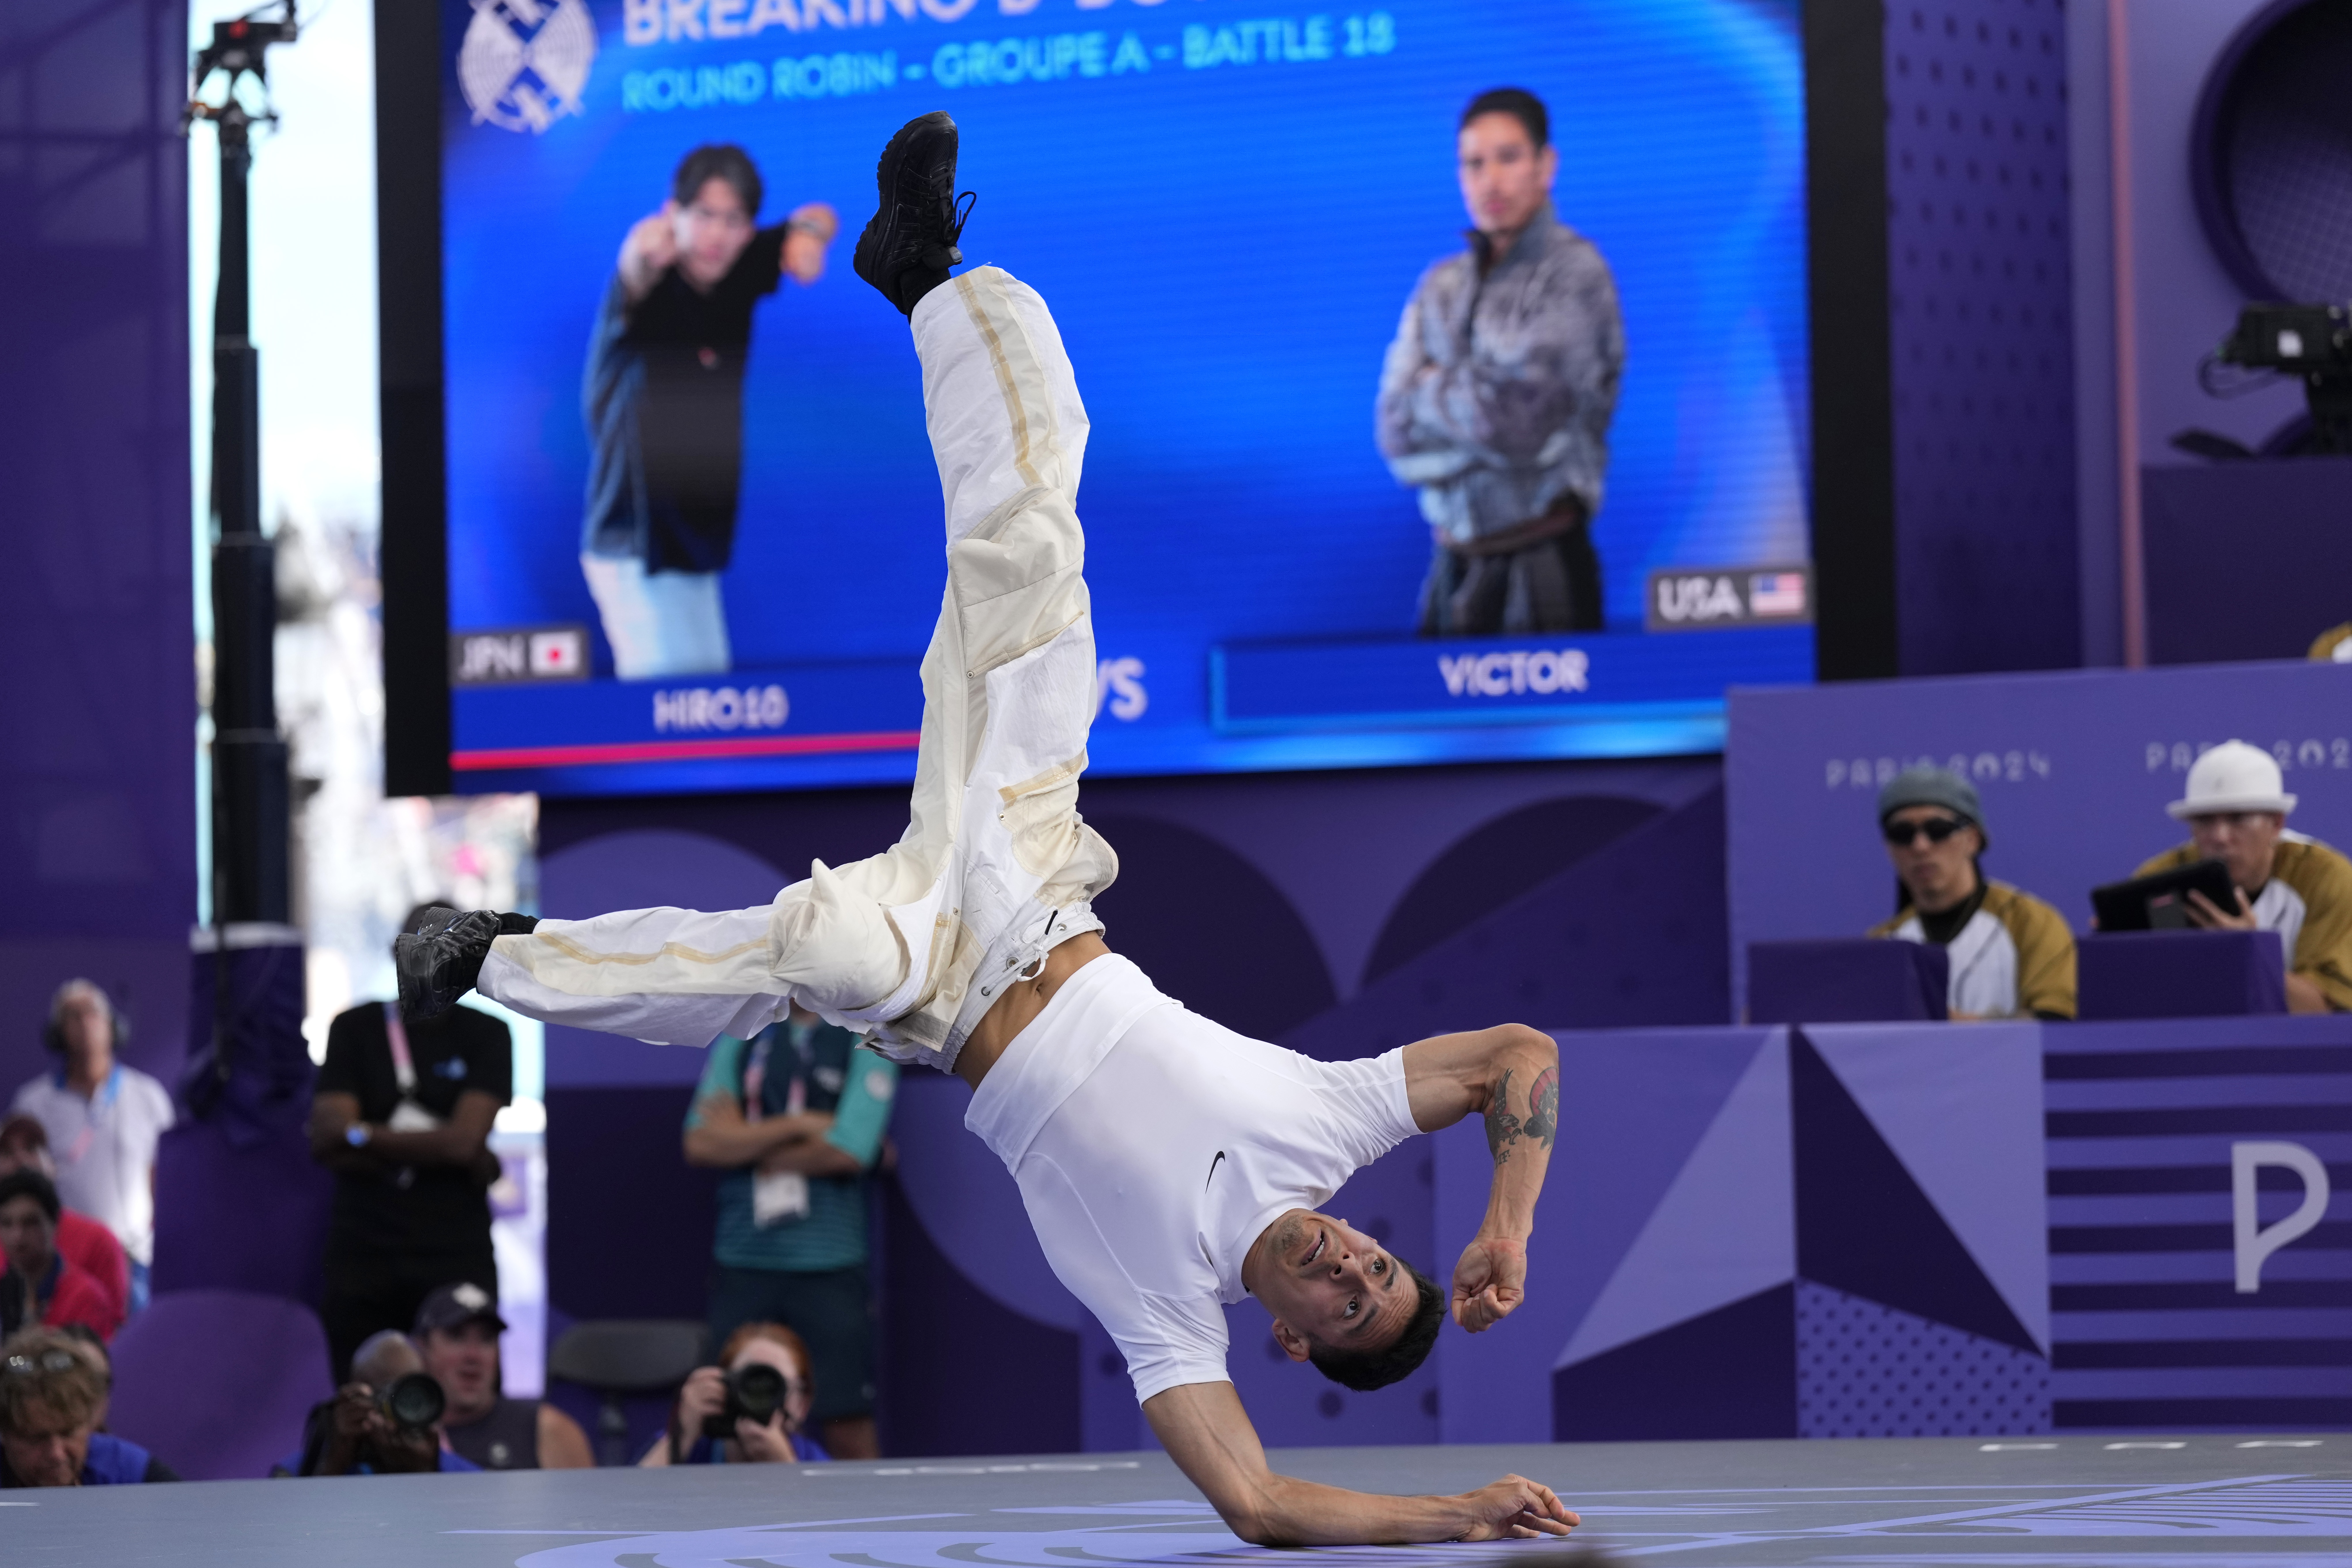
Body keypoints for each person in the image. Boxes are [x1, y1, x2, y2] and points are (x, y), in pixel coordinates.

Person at [398, 113, 1578, 1548]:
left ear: (1292, 1343)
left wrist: (1453, 1515)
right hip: (1030, 883)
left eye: (1345, 1303)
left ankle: (478, 955)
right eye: (1376, 1262)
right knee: (1035, 546)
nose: (1345, 1262)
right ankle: (930, 277)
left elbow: (1260, 1506)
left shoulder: (1167, 1310)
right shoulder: (1325, 1130)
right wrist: (1506, 1222)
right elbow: (1521, 1058)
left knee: (819, 950)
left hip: (940, 995)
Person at [582, 142, 841, 678]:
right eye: (703, 216)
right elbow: (635, 270)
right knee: (671, 715)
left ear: (748, 230)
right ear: (671, 214)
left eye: (733, 220)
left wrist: (807, 237)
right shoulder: (648, 284)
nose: (717, 235)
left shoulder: (739, 269)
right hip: (636, 542)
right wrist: (639, 255)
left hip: (693, 544)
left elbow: (819, 215)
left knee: (708, 708)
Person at [1377, 87, 1625, 637]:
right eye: (1473, 164)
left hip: (1543, 563)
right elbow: (1393, 431)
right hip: (1451, 566)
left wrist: (1429, 391)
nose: (1490, 180)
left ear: (1546, 165)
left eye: (1508, 158)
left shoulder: (1574, 274)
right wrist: (1474, 407)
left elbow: (1519, 426)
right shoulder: (1438, 287)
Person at [308, 910, 513, 1381]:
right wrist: (446, 1147)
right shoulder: (354, 1029)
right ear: (397, 953)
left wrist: (364, 1134)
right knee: (361, 1401)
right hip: (364, 1257)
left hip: (454, 1254)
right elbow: (326, 1139)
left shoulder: (487, 1034)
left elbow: (464, 1143)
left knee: (469, 1401)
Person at [686, 1004, 894, 1460]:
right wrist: (805, 1125)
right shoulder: (743, 1035)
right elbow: (700, 1142)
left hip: (830, 1265)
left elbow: (851, 1151)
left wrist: (743, 1141)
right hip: (742, 1262)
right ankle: (721, 1529)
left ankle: (869, 1530)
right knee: (725, 1418)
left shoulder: (867, 1038)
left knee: (847, 1421)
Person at [2132, 740, 2352, 1014]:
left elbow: (2323, 1012)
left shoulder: (2326, 878)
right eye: (2204, 820)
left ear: (2276, 824)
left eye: (2238, 818)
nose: (2220, 837)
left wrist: (2248, 951)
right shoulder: (2158, 881)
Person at [10, 979, 174, 1311]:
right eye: (72, 1016)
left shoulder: (148, 1097)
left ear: (113, 1026)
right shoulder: (34, 1103)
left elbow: (166, 1180)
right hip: (66, 1263)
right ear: (57, 1033)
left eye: (92, 1013)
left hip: (135, 1262)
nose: (84, 1023)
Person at [1867, 765, 2077, 1020]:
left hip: (2013, 1062)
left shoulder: (2030, 922)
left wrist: (1956, 1028)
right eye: (1902, 834)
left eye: (1938, 830)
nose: (1920, 846)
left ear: (1973, 839)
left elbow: (2057, 1020)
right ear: (1888, 848)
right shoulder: (1881, 945)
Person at [414, 1282, 592, 1470]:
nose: (473, 1355)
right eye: (457, 1336)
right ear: (422, 1347)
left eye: (487, 1339)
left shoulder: (548, 1430)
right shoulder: (394, 1437)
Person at [277, 1328, 482, 1477]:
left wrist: (426, 1471)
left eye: (415, 1393)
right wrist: (335, 1463)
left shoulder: (467, 1478)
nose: (405, 1407)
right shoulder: (298, 1471)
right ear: (355, 1400)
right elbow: (291, 1529)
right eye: (389, 1393)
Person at [0, 1326, 176, 1486]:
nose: (57, 1454)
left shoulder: (126, 1470)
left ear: (89, 1423)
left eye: (68, 1433)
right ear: (5, 1435)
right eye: (37, 1439)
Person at [640, 1320, 828, 1467]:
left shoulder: (809, 1458)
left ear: (802, 1404)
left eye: (776, 1384)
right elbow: (630, 1503)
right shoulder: (695, 1446)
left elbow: (830, 1514)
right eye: (749, 1379)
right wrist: (681, 1435)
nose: (759, 1394)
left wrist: (784, 1466)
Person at [0, 1116, 128, 1328]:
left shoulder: (99, 1240)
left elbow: (113, 1336)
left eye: (31, 1148)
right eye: (7, 1153)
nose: (19, 1159)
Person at [0, 1170, 122, 1342]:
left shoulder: (85, 1297)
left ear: (55, 1225)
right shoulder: (5, 1289)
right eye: (7, 1224)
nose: (17, 1235)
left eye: (30, 1223)